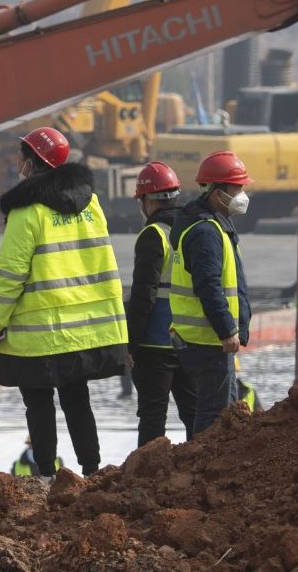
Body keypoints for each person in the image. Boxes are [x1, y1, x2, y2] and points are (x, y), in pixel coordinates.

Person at [0, 126, 128, 478]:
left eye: (22, 156)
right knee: (78, 399)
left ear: (33, 162)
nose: (19, 163)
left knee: (38, 402)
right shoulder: (90, 204)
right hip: (85, 328)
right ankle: (92, 472)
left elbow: (10, 276)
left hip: (41, 330)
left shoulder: (26, 212)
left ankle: (45, 475)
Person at [168, 151, 253, 435]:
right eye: (236, 188)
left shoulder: (210, 225)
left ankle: (203, 469)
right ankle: (200, 471)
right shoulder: (206, 232)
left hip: (203, 338)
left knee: (220, 409)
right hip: (208, 340)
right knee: (214, 414)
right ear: (217, 193)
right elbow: (208, 285)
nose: (242, 194)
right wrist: (227, 329)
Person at [125, 161, 198, 446]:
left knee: (153, 415)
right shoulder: (194, 230)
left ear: (148, 199)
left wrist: (130, 343)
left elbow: (144, 294)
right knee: (194, 412)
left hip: (155, 343)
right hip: (190, 338)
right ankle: (199, 469)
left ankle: (146, 479)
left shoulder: (153, 234)